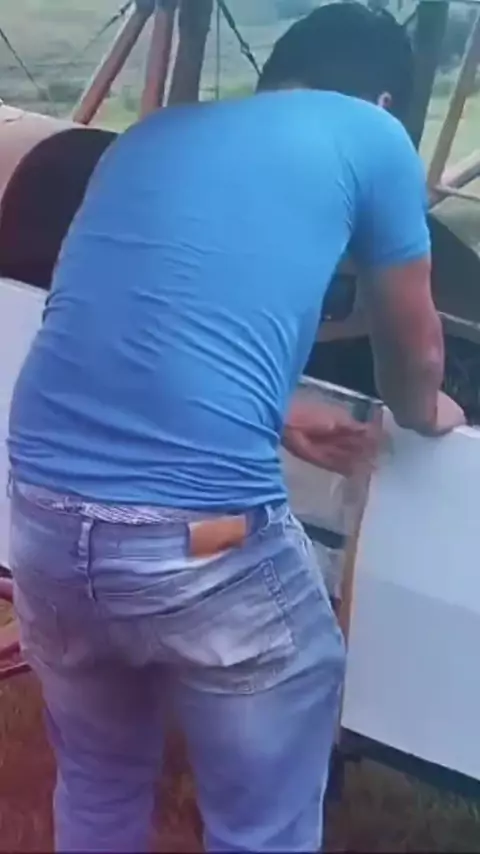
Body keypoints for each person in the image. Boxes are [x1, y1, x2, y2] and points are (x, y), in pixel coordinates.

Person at [7, 3, 464, 852]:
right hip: (204, 544)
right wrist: (432, 409)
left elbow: (131, 322)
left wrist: (276, 407)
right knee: (267, 808)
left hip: (48, 530)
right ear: (385, 102)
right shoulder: (373, 135)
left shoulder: (149, 138)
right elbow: (416, 357)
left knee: (98, 785)